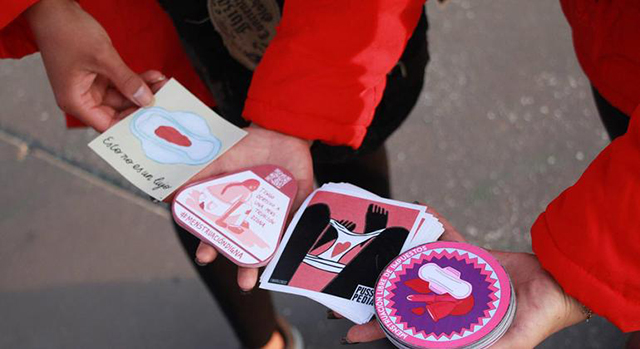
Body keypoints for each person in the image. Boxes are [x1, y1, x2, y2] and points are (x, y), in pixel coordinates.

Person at [1, 0, 429, 347]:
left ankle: (385, 298)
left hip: (331, 45)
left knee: (344, 155)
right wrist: (44, 9)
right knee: (202, 192)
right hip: (152, 42)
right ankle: (273, 338)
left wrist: (296, 116)